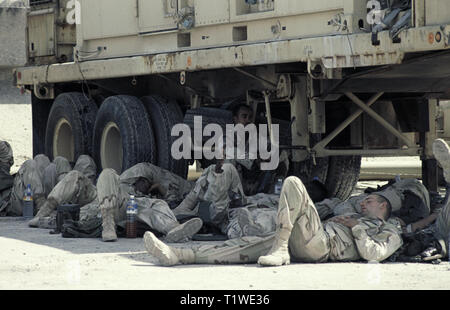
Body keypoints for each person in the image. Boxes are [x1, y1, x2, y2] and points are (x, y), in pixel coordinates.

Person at [143, 174, 405, 266]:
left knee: (293, 183)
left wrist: (357, 227)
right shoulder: (352, 214)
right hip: (300, 238)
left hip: (323, 245)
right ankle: (177, 255)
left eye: (369, 201)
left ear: (383, 205)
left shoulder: (389, 228)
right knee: (242, 246)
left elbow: (376, 254)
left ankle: (279, 247)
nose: (363, 202)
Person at [95, 163, 202, 242]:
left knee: (158, 205)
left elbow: (173, 206)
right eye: (144, 181)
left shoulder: (145, 199)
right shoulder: (123, 185)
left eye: (148, 183)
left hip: (130, 212)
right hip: (111, 204)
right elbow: (141, 170)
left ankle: (174, 229)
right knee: (107, 172)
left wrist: (162, 190)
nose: (147, 184)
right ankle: (108, 224)